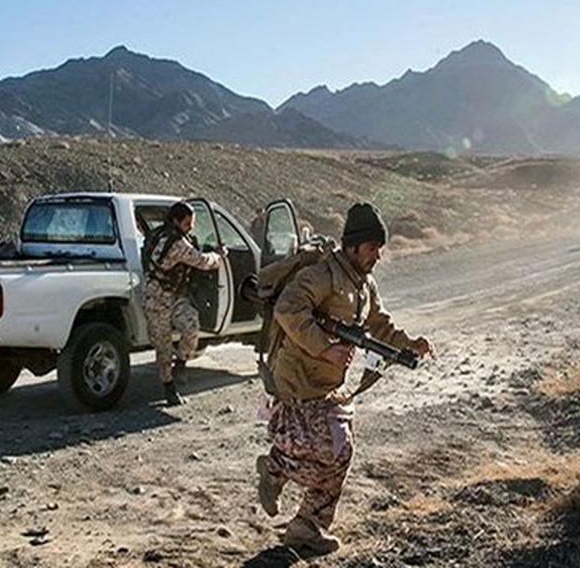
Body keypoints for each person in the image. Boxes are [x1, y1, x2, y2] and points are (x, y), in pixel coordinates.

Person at [256, 203, 434, 554]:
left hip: (327, 385)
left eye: (380, 248)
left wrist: (409, 343)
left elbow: (379, 325)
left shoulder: (364, 284)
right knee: (337, 450)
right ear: (352, 246)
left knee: (339, 451)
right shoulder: (321, 275)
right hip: (298, 379)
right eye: (372, 248)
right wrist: (324, 348)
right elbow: (288, 309)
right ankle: (285, 485)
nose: (378, 255)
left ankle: (298, 509)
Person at [143, 201, 226, 406]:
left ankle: (180, 363)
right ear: (176, 221)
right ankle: (169, 387)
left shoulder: (173, 236)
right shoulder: (175, 243)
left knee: (191, 328)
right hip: (157, 299)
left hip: (175, 296)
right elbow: (202, 262)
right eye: (188, 223)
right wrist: (219, 256)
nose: (191, 227)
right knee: (163, 347)